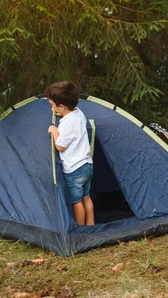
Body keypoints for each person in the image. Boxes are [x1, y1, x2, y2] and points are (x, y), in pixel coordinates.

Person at [46, 81, 95, 226]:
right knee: (86, 197)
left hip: (74, 170)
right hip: (87, 165)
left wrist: (54, 131)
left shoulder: (67, 124)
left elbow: (60, 146)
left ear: (61, 106)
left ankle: (79, 228)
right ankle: (91, 224)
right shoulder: (79, 113)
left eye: (52, 105)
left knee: (76, 201)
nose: (51, 108)